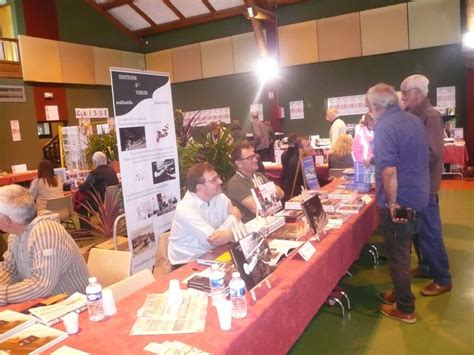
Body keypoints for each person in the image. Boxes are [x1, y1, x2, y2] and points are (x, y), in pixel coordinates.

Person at [367, 83, 430, 324]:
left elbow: (390, 170)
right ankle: (399, 291)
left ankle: (405, 308)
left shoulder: (384, 126)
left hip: (401, 200)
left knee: (398, 255)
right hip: (419, 195)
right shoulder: (412, 119)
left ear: (374, 106)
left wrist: (392, 203)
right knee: (405, 247)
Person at [400, 74, 452, 296]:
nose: (403, 98)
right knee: (416, 232)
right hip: (413, 184)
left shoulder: (430, 115)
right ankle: (427, 266)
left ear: (418, 93)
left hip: (425, 186)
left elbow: (433, 152)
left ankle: (443, 277)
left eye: (405, 94)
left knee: (430, 232)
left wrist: (402, 158)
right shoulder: (413, 114)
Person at [0, 185, 89, 305]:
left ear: (6, 220)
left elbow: (42, 285)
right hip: (47, 304)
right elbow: (9, 269)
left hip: (73, 306)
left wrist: (2, 295)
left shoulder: (45, 232)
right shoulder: (16, 235)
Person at [168, 163, 241, 266]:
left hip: (215, 253)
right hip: (189, 263)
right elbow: (212, 241)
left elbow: (239, 228)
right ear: (200, 188)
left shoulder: (219, 196)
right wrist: (233, 218)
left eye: (218, 177)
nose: (220, 181)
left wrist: (229, 234)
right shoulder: (186, 208)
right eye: (214, 180)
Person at [227, 141, 284, 223]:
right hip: (254, 227)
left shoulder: (258, 175)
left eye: (254, 156)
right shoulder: (235, 183)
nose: (255, 160)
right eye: (250, 158)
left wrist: (267, 200)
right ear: (238, 163)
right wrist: (272, 196)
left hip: (271, 220)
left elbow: (281, 192)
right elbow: (258, 208)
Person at [76, 151, 119, 229]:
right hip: (113, 201)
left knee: (80, 206)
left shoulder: (94, 173)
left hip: (100, 203)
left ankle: (86, 231)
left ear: (94, 162)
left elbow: (83, 189)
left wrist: (80, 184)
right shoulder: (112, 171)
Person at [352, 113, 375, 183]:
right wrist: (363, 161)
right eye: (373, 120)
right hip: (364, 167)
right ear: (368, 121)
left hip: (377, 166)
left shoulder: (380, 133)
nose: (375, 123)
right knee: (365, 190)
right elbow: (355, 152)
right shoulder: (360, 134)